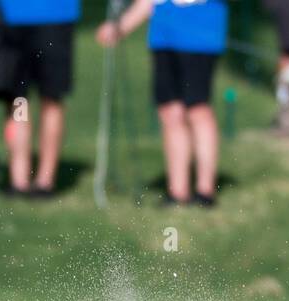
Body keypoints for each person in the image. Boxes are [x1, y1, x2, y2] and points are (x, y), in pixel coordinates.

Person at [97, 0, 228, 207]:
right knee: (170, 111)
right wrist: (121, 26)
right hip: (164, 38)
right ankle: (178, 191)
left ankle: (205, 191)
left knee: (197, 110)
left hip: (200, 36)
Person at [0, 0, 82, 197]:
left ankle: (44, 182)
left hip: (55, 14)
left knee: (50, 98)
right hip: (13, 14)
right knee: (19, 99)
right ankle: (20, 181)